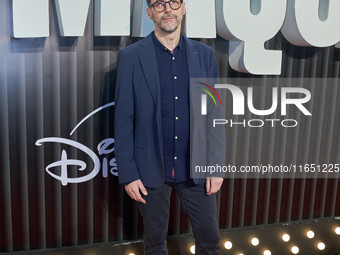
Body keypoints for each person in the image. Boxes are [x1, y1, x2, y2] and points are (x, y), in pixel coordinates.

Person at [114, 0, 226, 254]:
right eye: (159, 4)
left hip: (197, 167)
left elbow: (214, 115)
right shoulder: (131, 57)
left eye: (173, 2)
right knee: (154, 243)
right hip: (149, 168)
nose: (168, 9)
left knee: (210, 241)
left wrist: (217, 165)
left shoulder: (205, 55)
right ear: (150, 12)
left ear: (183, 8)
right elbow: (123, 120)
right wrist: (129, 174)